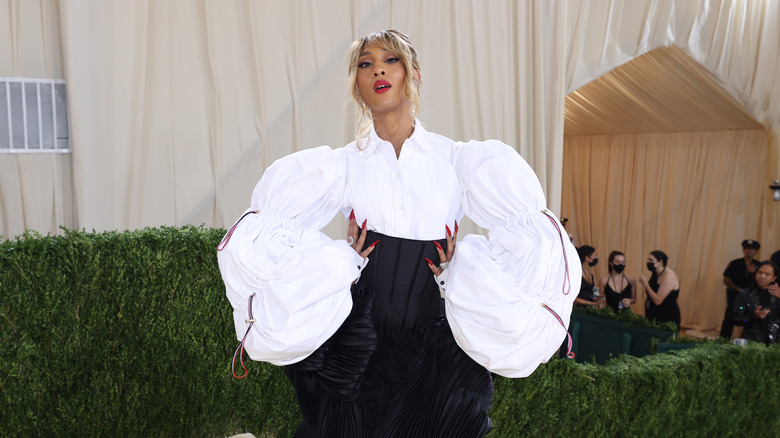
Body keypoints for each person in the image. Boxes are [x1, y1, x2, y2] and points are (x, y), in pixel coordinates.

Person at [217, 30, 580, 437]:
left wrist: (459, 274)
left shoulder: (457, 159)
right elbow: (270, 229)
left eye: (390, 60)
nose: (378, 71)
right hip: (362, 333)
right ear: (356, 85)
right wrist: (343, 263)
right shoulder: (342, 165)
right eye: (365, 64)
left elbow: (526, 228)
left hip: (434, 333)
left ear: (414, 74)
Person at [720, 239, 761, 339]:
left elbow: (761, 283)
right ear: (743, 250)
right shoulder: (735, 264)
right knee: (729, 319)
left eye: (752, 249)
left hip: (750, 301)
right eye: (747, 248)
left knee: (747, 321)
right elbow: (726, 280)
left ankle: (745, 341)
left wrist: (752, 273)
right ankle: (722, 342)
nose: (749, 251)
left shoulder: (759, 266)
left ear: (756, 251)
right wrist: (739, 290)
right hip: (734, 298)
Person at [733, 261, 780, 344]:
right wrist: (753, 316)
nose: (762, 276)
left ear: (774, 278)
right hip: (751, 343)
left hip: (775, 343)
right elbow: (738, 319)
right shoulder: (744, 294)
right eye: (760, 272)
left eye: (767, 274)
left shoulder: (777, 296)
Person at [639, 250, 681, 329]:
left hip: (667, 317)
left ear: (660, 262)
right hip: (653, 315)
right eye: (647, 260)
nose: (648, 262)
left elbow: (658, 300)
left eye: (651, 260)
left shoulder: (669, 275)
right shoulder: (656, 272)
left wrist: (645, 284)